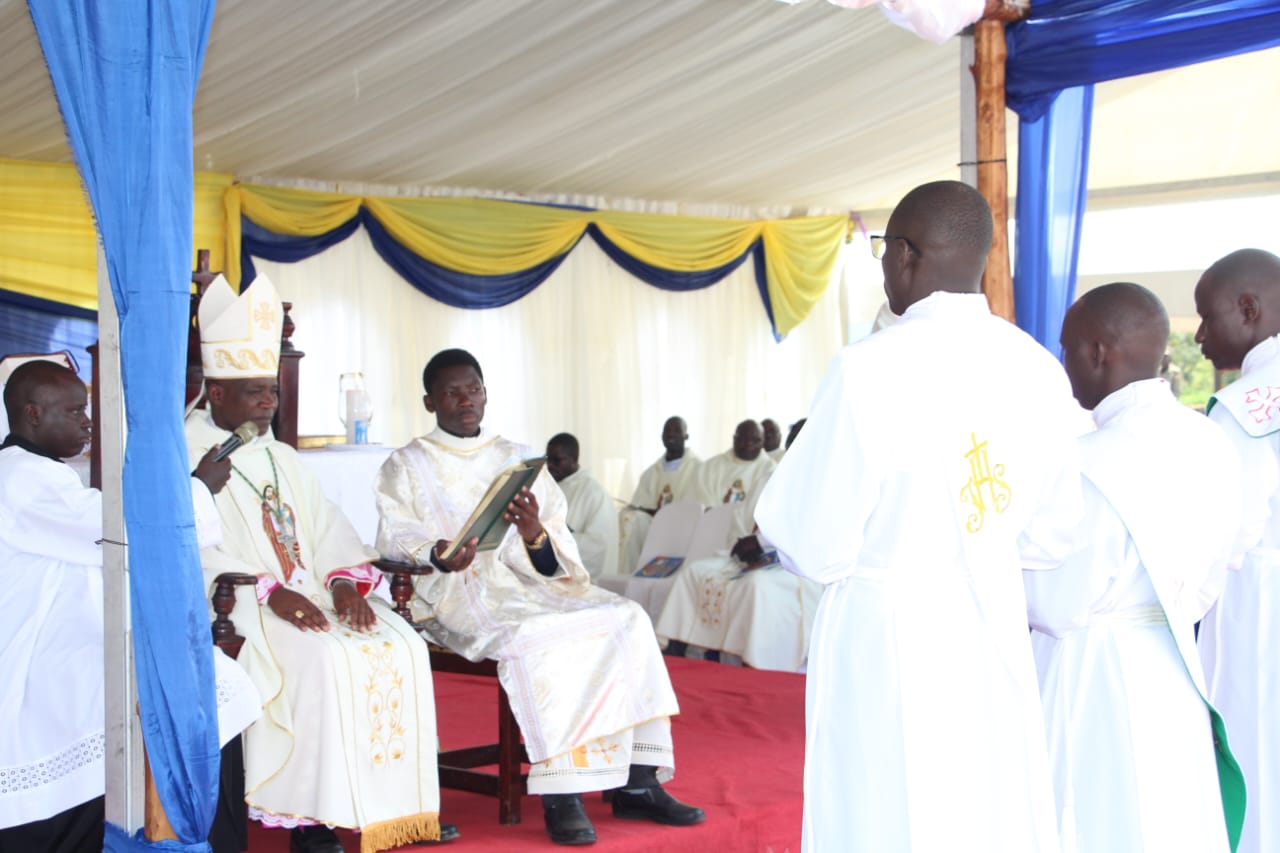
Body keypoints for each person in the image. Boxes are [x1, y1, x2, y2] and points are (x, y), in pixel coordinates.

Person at [755, 180, 1084, 852]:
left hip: (888, 633)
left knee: (888, 806)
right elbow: (1053, 535)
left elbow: (812, 542)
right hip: (992, 619)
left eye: (883, 249)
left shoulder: (868, 369)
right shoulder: (1037, 367)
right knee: (985, 805)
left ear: (904, 255)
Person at [374, 348, 705, 846]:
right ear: (429, 400)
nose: (466, 400)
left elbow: (555, 546)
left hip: (529, 583)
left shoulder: (516, 457)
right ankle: (561, 791)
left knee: (628, 616)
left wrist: (532, 531)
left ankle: (639, 781)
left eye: (474, 389)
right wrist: (439, 554)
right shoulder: (407, 464)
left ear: (486, 393)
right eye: (452, 392)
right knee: (539, 636)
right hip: (458, 594)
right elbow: (395, 535)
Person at [185, 274, 452, 853]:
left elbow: (327, 523)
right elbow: (190, 544)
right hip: (241, 604)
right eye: (254, 390)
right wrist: (268, 591)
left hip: (310, 591)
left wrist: (343, 583)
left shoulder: (281, 454)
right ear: (216, 392)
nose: (268, 401)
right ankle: (309, 819)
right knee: (322, 658)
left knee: (399, 642)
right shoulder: (187, 452)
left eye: (271, 391)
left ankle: (394, 807)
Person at [0, 360, 261, 853]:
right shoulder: (23, 480)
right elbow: (119, 533)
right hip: (31, 658)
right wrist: (199, 487)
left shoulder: (35, 473)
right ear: (32, 414)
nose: (87, 422)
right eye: (75, 410)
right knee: (205, 686)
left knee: (210, 681)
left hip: (60, 635)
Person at [1026, 283, 1245, 852]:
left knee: (1094, 813)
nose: (1064, 363)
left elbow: (1054, 604)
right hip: (1173, 661)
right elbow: (1223, 559)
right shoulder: (1210, 440)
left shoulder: (1089, 462)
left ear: (1098, 352)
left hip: (1091, 668)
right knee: (1169, 814)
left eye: (1067, 348)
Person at [1194, 247, 1280, 853]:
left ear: (1248, 310)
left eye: (1207, 316)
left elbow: (1220, 538)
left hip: (1263, 609)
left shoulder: (1244, 412)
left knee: (1260, 761)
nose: (1198, 335)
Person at [655, 417, 820, 672]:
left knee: (755, 586)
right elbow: (744, 517)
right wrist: (743, 542)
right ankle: (680, 649)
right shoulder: (771, 475)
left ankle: (752, 662)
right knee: (695, 572)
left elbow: (809, 530)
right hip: (752, 556)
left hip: (796, 567)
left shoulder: (823, 482)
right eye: (791, 444)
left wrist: (762, 543)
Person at [617, 416, 702, 575]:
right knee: (627, 518)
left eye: (677, 430)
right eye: (667, 431)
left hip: (681, 527)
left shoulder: (699, 469)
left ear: (686, 436)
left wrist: (665, 515)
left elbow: (696, 507)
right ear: (662, 437)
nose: (671, 434)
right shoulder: (650, 473)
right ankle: (628, 575)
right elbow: (639, 506)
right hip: (650, 526)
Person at [545, 432, 618, 579]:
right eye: (547, 460)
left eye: (557, 460)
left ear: (574, 459)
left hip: (578, 578)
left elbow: (598, 545)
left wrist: (560, 536)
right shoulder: (547, 485)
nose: (550, 466)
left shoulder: (593, 492)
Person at [696, 419, 775, 540]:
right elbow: (701, 501)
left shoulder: (771, 470)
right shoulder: (711, 467)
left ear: (763, 441)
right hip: (710, 532)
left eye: (755, 440)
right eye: (743, 439)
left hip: (745, 536)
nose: (749, 443)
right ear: (734, 439)